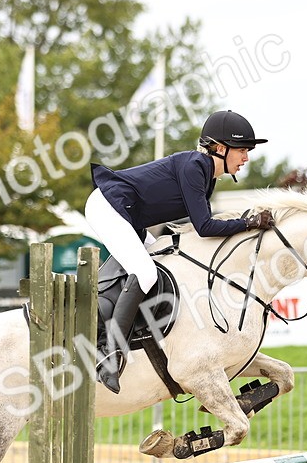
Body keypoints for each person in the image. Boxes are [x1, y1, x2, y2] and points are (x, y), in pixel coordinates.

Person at [86, 109, 274, 394]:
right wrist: (249, 223)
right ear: (220, 148)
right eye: (242, 150)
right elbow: (205, 227)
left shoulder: (205, 174)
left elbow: (203, 228)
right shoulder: (195, 167)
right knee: (146, 273)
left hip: (127, 215)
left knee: (161, 259)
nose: (246, 157)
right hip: (107, 206)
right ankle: (109, 354)